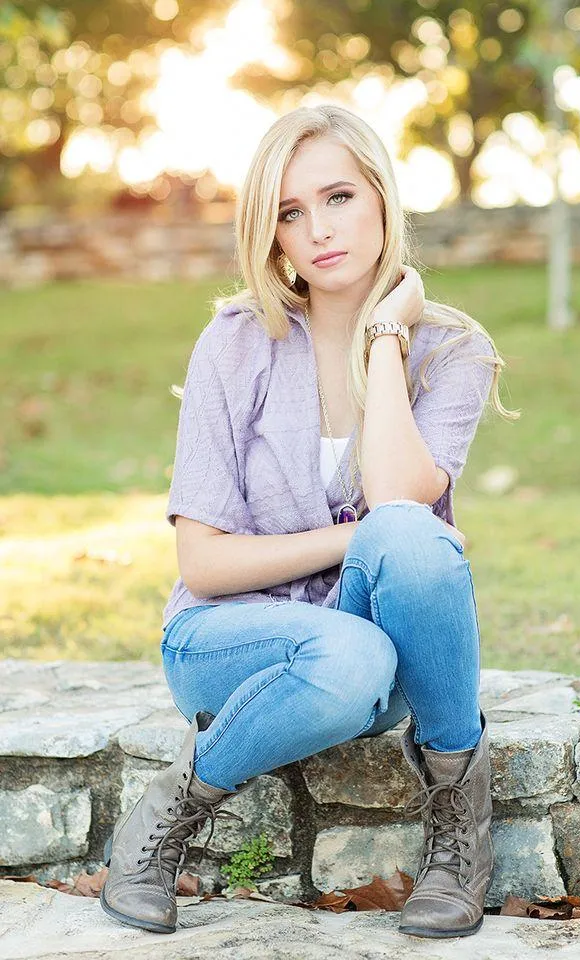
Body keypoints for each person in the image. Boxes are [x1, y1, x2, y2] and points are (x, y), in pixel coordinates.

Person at [100, 103, 519, 939]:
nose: (319, 230)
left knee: (406, 543)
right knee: (367, 602)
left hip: (373, 660)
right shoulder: (234, 342)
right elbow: (206, 564)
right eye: (291, 212)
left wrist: (387, 336)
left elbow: (400, 504)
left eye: (338, 198)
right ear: (271, 234)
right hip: (226, 643)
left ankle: (454, 835)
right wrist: (353, 536)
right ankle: (174, 810)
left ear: (381, 200)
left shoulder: (451, 351)